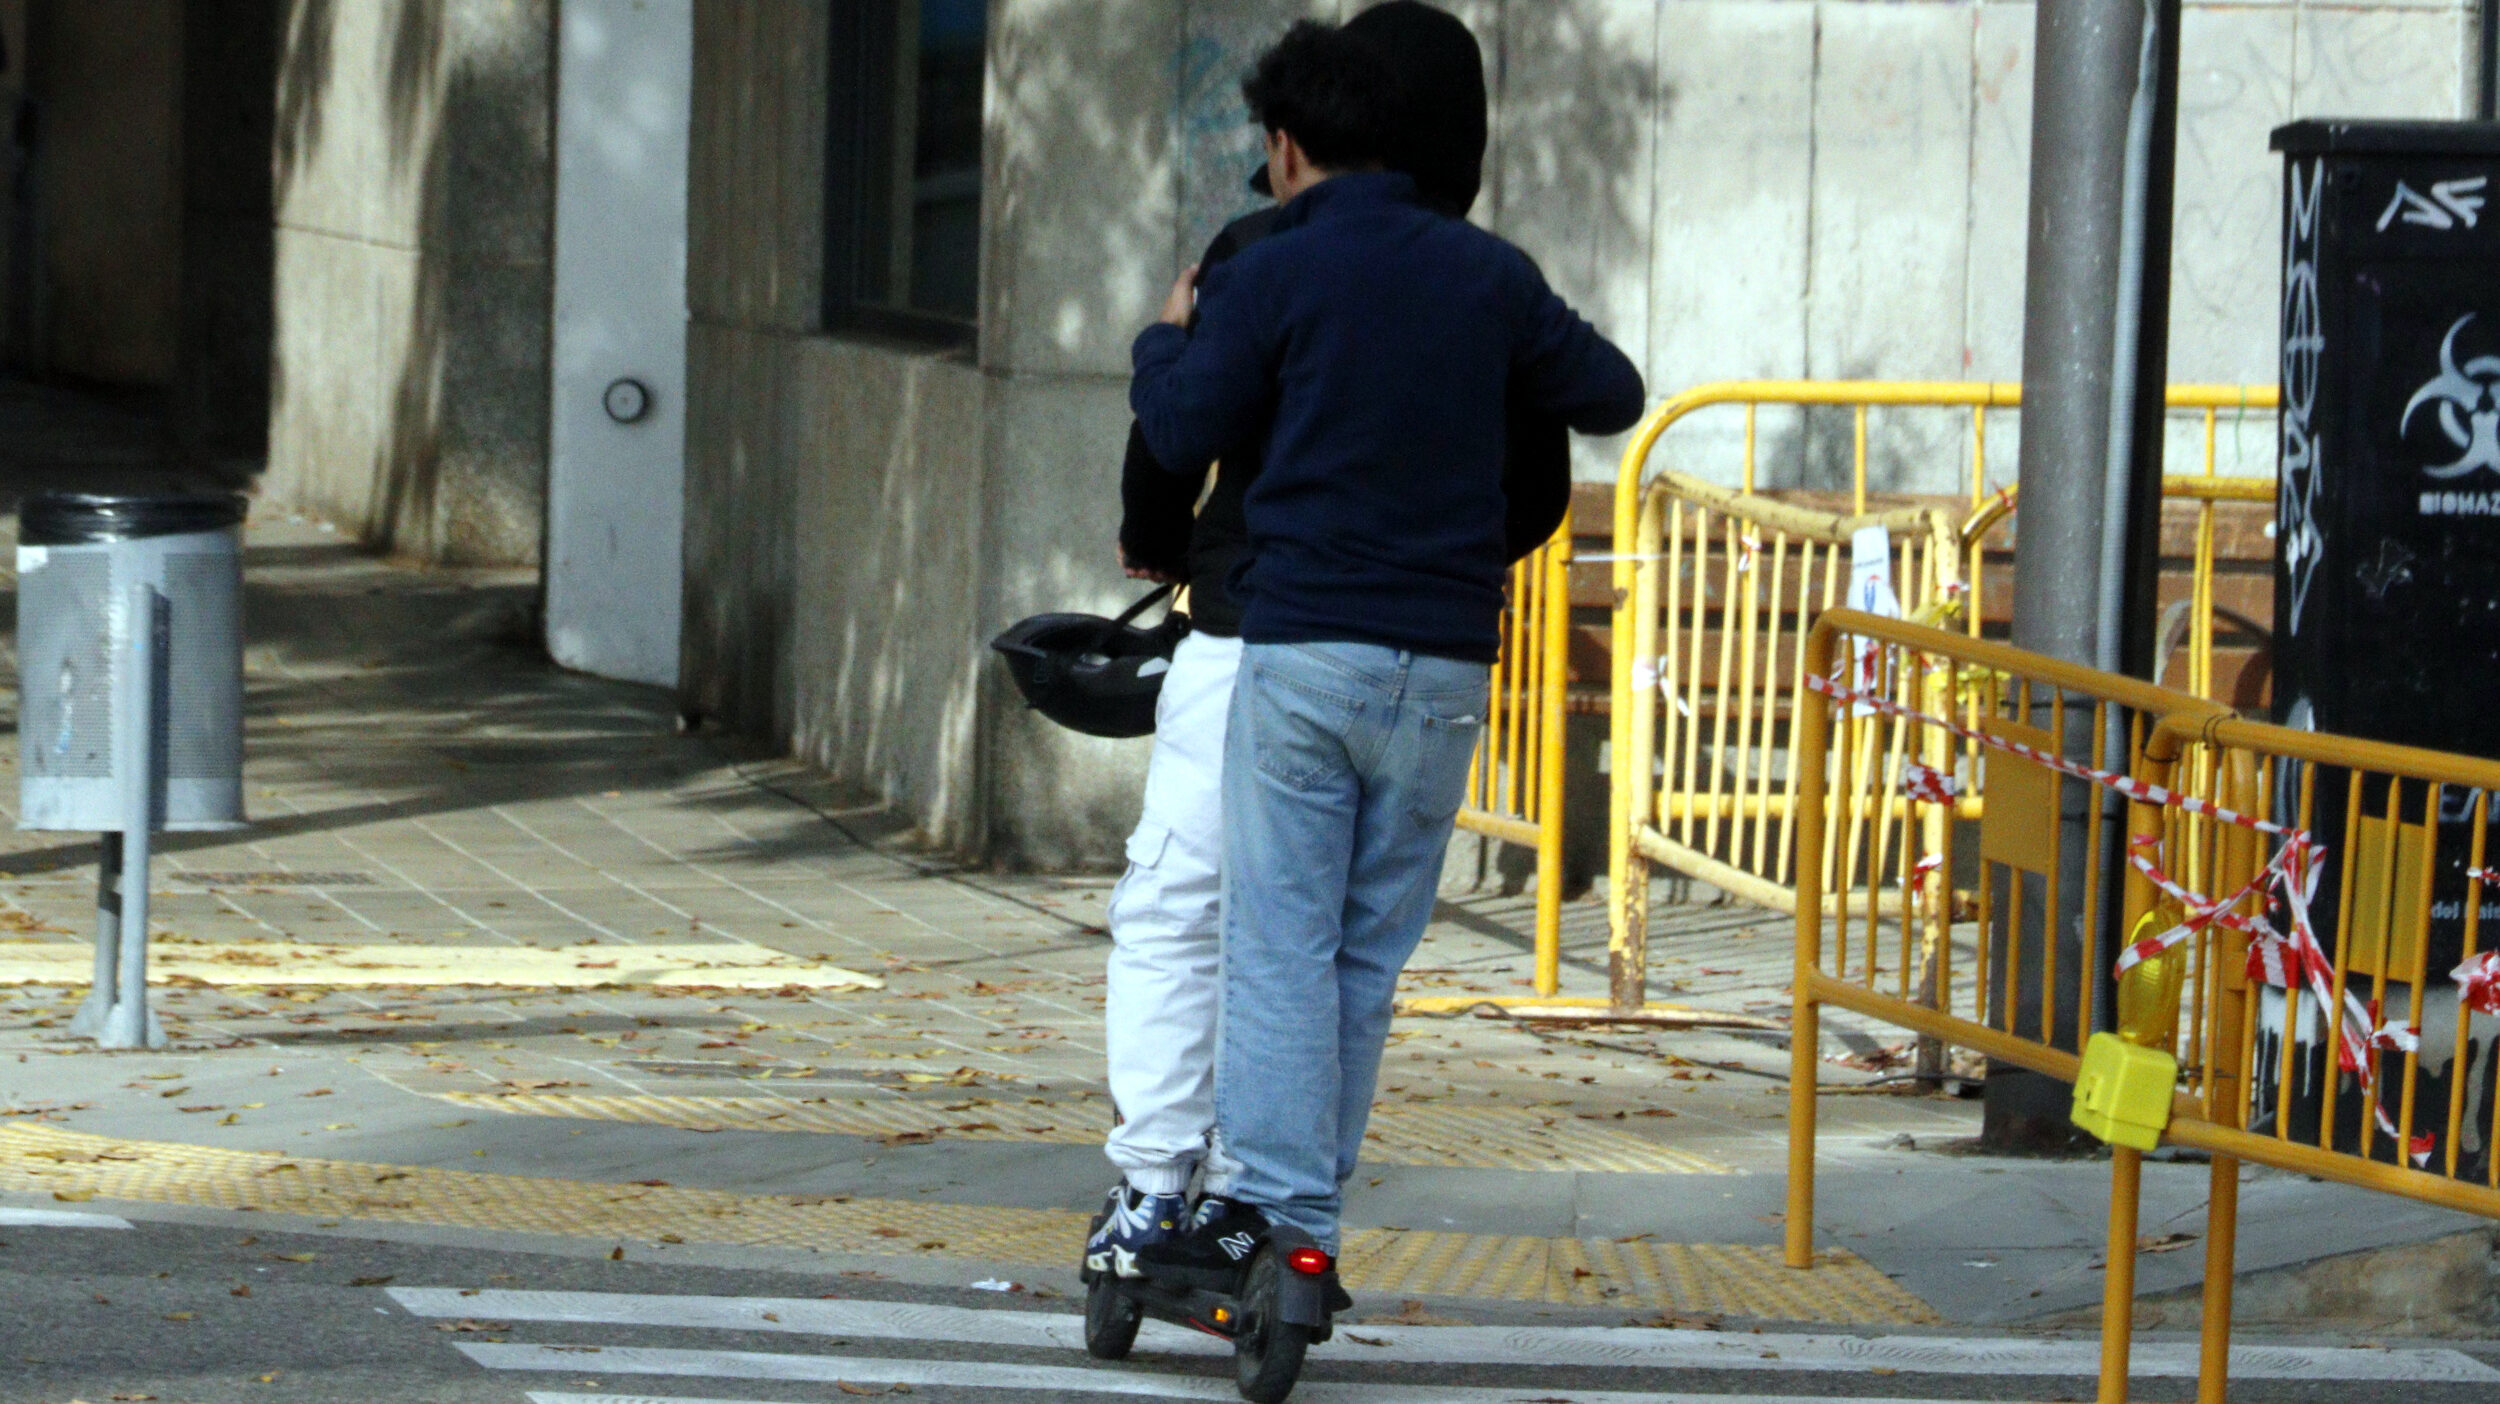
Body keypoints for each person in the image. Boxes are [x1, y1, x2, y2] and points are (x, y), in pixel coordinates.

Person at [1125, 19, 1645, 1272]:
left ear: (1290, 147)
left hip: (1295, 649)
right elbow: (1612, 397)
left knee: (1269, 943)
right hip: (1448, 665)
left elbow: (1181, 422)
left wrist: (1164, 332)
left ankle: (1247, 1208)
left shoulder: (1269, 268)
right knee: (1364, 954)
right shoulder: (1490, 276)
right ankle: (1306, 1219)